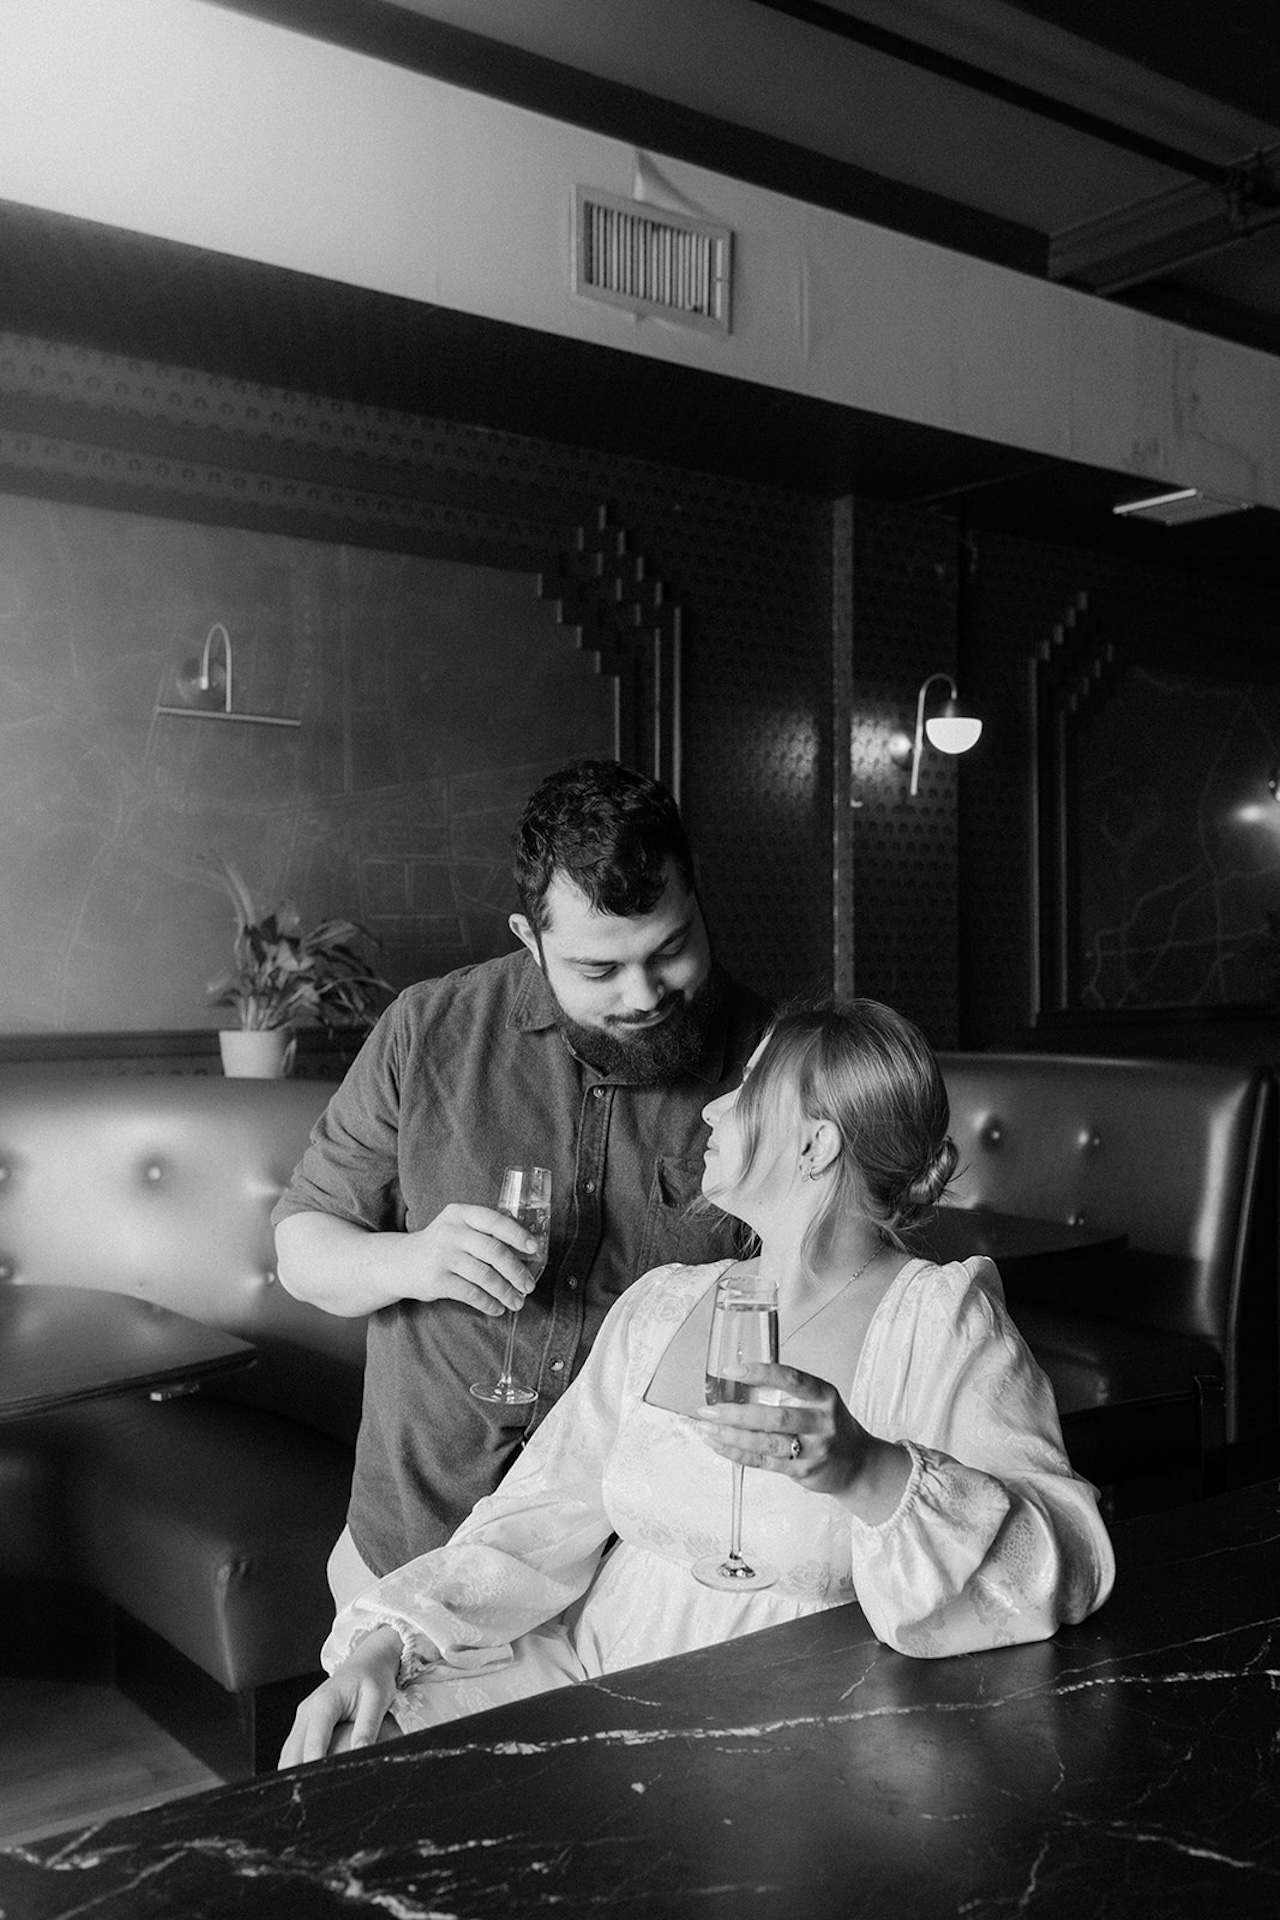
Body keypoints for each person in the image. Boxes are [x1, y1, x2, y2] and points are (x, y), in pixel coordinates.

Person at [279, 999, 1115, 1765]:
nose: (712, 1108)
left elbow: (1065, 1562)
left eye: (746, 1091)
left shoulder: (940, 1322)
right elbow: (536, 1519)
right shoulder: (663, 1303)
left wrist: (871, 1472)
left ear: (815, 1145)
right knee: (365, 1734)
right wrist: (391, 1644)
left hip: (800, 1728)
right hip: (594, 1675)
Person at [272, 758, 770, 1608]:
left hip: (641, 1577)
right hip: (415, 1545)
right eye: (598, 971)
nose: (644, 994)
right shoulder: (427, 1029)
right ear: (527, 937)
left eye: (671, 950)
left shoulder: (775, 1065)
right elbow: (302, 1248)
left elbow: (824, 1304)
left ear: (697, 903)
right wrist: (413, 1261)